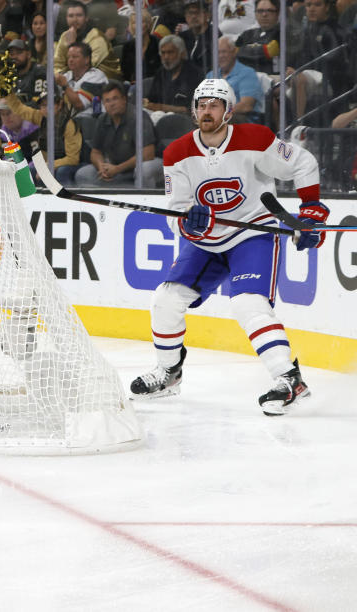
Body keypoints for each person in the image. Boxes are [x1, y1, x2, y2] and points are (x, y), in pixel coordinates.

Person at [131, 79, 327, 415]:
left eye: (214, 104)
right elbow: (174, 211)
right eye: (201, 104)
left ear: (229, 110)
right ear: (194, 111)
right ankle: (169, 373)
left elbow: (302, 162)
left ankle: (288, 378)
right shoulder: (177, 152)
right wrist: (187, 222)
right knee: (164, 299)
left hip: (253, 233)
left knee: (247, 303)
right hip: (207, 242)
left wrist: (311, 210)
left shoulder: (255, 139)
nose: (207, 111)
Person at [74, 80, 162, 187]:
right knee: (83, 174)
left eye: (115, 99)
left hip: (148, 164)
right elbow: (95, 152)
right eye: (107, 101)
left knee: (145, 170)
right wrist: (101, 167)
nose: (111, 104)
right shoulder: (103, 119)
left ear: (124, 99)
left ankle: (143, 202)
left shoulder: (138, 117)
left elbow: (148, 154)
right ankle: (103, 203)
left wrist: (118, 168)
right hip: (117, 167)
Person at [3, 83, 84, 186]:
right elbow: (19, 108)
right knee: (30, 171)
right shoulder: (41, 118)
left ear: (59, 105)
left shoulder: (69, 124)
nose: (46, 108)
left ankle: (66, 199)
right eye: (43, 105)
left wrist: (48, 166)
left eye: (50, 104)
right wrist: (7, 90)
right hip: (50, 163)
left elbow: (73, 159)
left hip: (70, 164)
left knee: (62, 172)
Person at [53, 2, 121, 80]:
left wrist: (71, 45)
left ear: (86, 18)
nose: (75, 19)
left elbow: (84, 67)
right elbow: (57, 64)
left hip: (105, 81)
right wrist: (59, 77)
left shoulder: (97, 37)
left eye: (79, 15)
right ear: (66, 19)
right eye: (71, 16)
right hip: (75, 79)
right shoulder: (65, 36)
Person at [209, 36, 264, 124]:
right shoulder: (211, 75)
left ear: (234, 52)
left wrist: (220, 112)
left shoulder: (247, 73)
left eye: (224, 52)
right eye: (217, 53)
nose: (220, 56)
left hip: (241, 119)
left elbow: (246, 106)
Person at [144, 35, 204, 115]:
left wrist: (162, 108)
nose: (166, 57)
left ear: (181, 53)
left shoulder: (195, 74)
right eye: (163, 53)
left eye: (170, 52)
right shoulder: (161, 73)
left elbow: (191, 109)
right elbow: (151, 100)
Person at [54, 42, 109, 116]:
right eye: (69, 57)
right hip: (69, 123)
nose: (70, 60)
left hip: (91, 122)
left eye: (75, 57)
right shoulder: (67, 75)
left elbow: (80, 105)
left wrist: (65, 86)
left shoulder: (96, 76)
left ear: (87, 59)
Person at [119, 9, 161, 84]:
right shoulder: (127, 47)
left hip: (154, 84)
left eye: (141, 22)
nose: (138, 25)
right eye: (135, 23)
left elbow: (160, 71)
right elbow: (124, 74)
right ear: (131, 26)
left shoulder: (157, 44)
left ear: (148, 24)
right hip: (133, 86)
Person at [179, 0, 215, 75]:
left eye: (197, 12)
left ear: (207, 15)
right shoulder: (182, 38)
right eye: (190, 13)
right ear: (185, 17)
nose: (193, 16)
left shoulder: (215, 36)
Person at [8, 39, 45, 105]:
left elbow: (40, 100)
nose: (15, 57)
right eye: (12, 54)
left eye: (19, 53)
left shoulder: (39, 72)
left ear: (28, 54)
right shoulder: (10, 74)